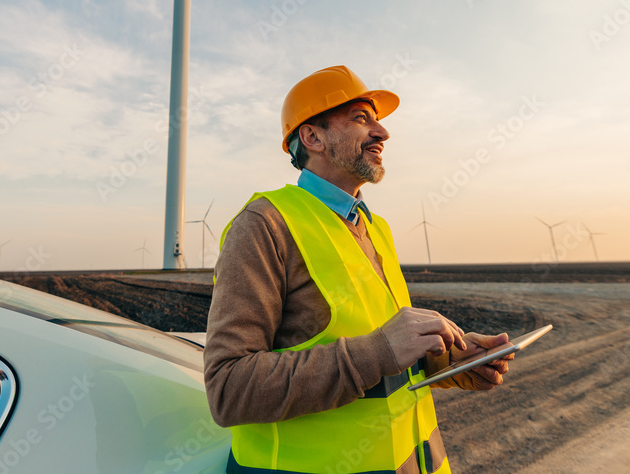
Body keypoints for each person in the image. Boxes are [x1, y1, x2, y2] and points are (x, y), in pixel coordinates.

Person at [204, 65, 514, 474]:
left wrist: (453, 363)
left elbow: (385, 357)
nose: (382, 133)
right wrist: (379, 350)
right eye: (360, 118)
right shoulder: (265, 225)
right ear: (312, 137)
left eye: (378, 121)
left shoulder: (375, 228)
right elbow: (229, 389)